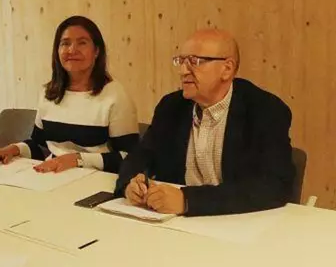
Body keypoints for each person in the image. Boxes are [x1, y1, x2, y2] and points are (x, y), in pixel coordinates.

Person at [115, 29, 295, 216]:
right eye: (181, 61)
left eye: (194, 61)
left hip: (237, 221)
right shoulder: (171, 106)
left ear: (227, 69)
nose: (183, 71)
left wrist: (188, 201)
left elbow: (275, 185)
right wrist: (130, 184)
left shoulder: (265, 110)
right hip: (171, 222)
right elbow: (140, 155)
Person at [0, 15, 139, 173]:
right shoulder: (48, 93)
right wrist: (14, 149)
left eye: (82, 43)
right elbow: (40, 146)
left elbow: (131, 158)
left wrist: (78, 159)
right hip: (54, 177)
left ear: (96, 51)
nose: (72, 50)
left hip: (96, 179)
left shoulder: (115, 96)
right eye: (65, 43)